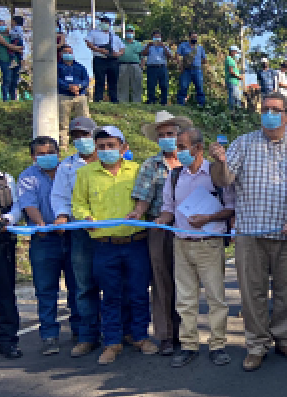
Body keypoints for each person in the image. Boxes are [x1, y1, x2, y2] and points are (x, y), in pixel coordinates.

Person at [208, 92, 287, 372]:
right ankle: (256, 345)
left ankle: (285, 339)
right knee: (252, 293)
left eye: (275, 110)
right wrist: (220, 161)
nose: (269, 114)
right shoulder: (243, 143)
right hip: (250, 234)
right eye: (265, 109)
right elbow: (223, 180)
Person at [72, 126, 157, 365]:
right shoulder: (85, 173)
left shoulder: (138, 170)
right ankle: (112, 342)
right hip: (104, 245)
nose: (106, 150)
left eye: (111, 145)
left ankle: (140, 336)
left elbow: (147, 199)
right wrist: (85, 217)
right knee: (110, 295)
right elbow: (78, 204)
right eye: (101, 147)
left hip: (135, 243)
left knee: (138, 292)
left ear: (123, 147)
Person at [157, 127, 235, 368]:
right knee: (185, 299)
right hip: (181, 243)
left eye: (182, 147)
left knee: (215, 298)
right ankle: (188, 345)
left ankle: (217, 345)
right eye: (177, 147)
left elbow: (230, 207)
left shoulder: (215, 174)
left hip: (209, 243)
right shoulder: (174, 176)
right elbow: (168, 208)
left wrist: (208, 218)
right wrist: (161, 220)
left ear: (198, 148)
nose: (178, 151)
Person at [128, 111, 193, 355]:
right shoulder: (151, 165)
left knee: (187, 282)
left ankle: (187, 333)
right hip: (161, 228)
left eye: (171, 134)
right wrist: (137, 213)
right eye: (162, 135)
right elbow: (144, 198)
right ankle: (166, 335)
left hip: (190, 227)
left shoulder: (192, 162)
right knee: (162, 281)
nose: (167, 138)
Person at [17, 137, 82, 355]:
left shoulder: (69, 171)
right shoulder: (28, 177)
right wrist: (42, 225)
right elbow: (29, 204)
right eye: (41, 153)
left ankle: (80, 331)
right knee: (46, 290)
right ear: (33, 156)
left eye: (51, 152)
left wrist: (65, 221)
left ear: (58, 153)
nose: (47, 157)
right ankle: (49, 336)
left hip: (72, 236)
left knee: (78, 286)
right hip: (44, 239)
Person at [51, 117, 104, 358]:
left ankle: (120, 333)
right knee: (83, 286)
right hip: (81, 231)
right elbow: (60, 195)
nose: (81, 140)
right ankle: (88, 336)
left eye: (86, 135)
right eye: (77, 136)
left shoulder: (110, 160)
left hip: (111, 231)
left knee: (115, 284)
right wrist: (62, 215)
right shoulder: (67, 166)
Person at [0, 168, 22, 358]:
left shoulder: (5, 179)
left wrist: (6, 219)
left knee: (5, 294)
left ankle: (7, 341)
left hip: (2, 241)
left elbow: (17, 207)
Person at [84, 16, 125, 103]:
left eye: (106, 22)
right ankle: (98, 99)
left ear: (109, 24)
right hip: (100, 59)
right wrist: (99, 50)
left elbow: (122, 48)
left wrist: (118, 54)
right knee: (100, 80)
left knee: (113, 81)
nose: (104, 24)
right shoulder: (94, 33)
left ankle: (114, 100)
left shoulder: (115, 36)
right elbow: (88, 43)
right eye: (102, 22)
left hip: (113, 60)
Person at [57, 46, 90, 148]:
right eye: (65, 52)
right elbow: (56, 80)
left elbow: (86, 80)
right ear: (61, 54)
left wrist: (78, 87)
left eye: (70, 52)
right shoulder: (57, 67)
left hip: (80, 96)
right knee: (63, 121)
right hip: (63, 96)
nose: (68, 54)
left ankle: (85, 143)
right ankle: (63, 144)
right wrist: (68, 87)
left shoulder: (80, 67)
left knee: (84, 120)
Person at [176, 32, 207, 106]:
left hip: (197, 70)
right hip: (186, 70)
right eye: (193, 37)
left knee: (199, 88)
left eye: (196, 37)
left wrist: (198, 62)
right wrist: (180, 65)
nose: (195, 38)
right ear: (189, 37)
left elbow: (205, 60)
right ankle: (181, 105)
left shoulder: (200, 47)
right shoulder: (183, 45)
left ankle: (201, 105)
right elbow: (177, 55)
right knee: (183, 87)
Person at [142, 29, 172, 105]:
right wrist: (148, 46)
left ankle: (164, 102)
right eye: (155, 37)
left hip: (162, 67)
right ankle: (151, 101)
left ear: (161, 38)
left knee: (164, 85)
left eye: (158, 37)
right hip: (151, 67)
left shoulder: (164, 46)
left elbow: (170, 56)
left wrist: (164, 47)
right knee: (151, 85)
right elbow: (143, 53)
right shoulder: (148, 45)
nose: (157, 38)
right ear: (152, 38)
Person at [118, 26, 144, 103]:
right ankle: (122, 102)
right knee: (122, 85)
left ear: (134, 33)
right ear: (125, 32)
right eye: (128, 31)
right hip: (123, 65)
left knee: (137, 85)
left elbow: (142, 57)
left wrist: (141, 67)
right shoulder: (120, 42)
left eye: (131, 31)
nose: (129, 33)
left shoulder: (138, 44)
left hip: (135, 65)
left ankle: (137, 102)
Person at [0, 20, 23, 102]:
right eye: (0, 25)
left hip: (16, 61)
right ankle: (5, 100)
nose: (2, 27)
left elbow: (21, 44)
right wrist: (18, 48)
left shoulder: (12, 35)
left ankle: (13, 100)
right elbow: (8, 46)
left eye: (3, 25)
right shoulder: (0, 36)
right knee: (7, 80)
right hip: (5, 60)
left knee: (14, 81)